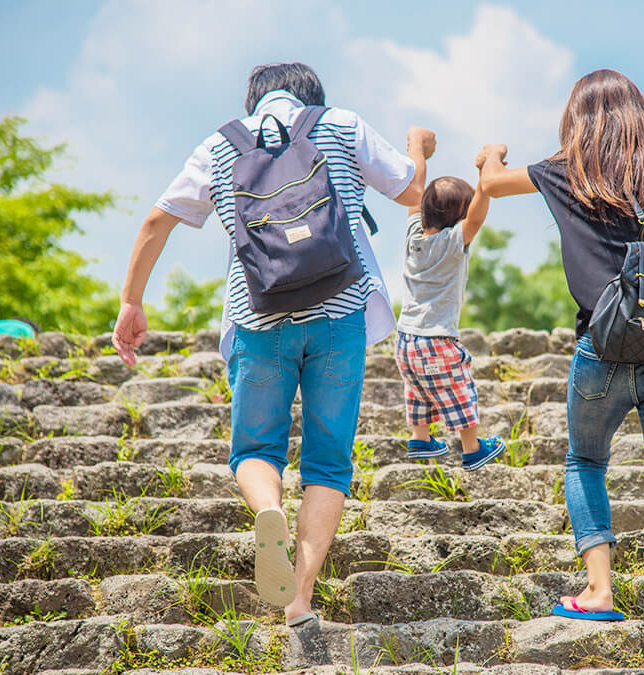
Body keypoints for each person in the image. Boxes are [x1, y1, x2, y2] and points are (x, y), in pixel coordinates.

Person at [112, 62, 435, 627]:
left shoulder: (219, 145)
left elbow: (155, 222)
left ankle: (269, 511)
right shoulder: (340, 125)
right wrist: (417, 146)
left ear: (253, 101)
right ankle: (300, 600)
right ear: (314, 96)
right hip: (339, 315)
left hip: (259, 318)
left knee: (255, 451)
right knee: (328, 464)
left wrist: (131, 302)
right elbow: (415, 192)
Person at [475, 69, 644, 673]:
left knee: (585, 461)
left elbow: (489, 182)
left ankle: (599, 591)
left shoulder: (569, 170)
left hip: (604, 347)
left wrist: (492, 153)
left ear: (578, 120)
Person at [394, 166, 506, 470]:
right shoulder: (453, 242)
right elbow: (477, 218)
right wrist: (486, 175)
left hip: (405, 341)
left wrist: (417, 148)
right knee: (459, 388)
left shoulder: (412, 235)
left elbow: (413, 194)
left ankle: (421, 438)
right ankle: (472, 449)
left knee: (418, 391)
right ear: (459, 217)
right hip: (436, 340)